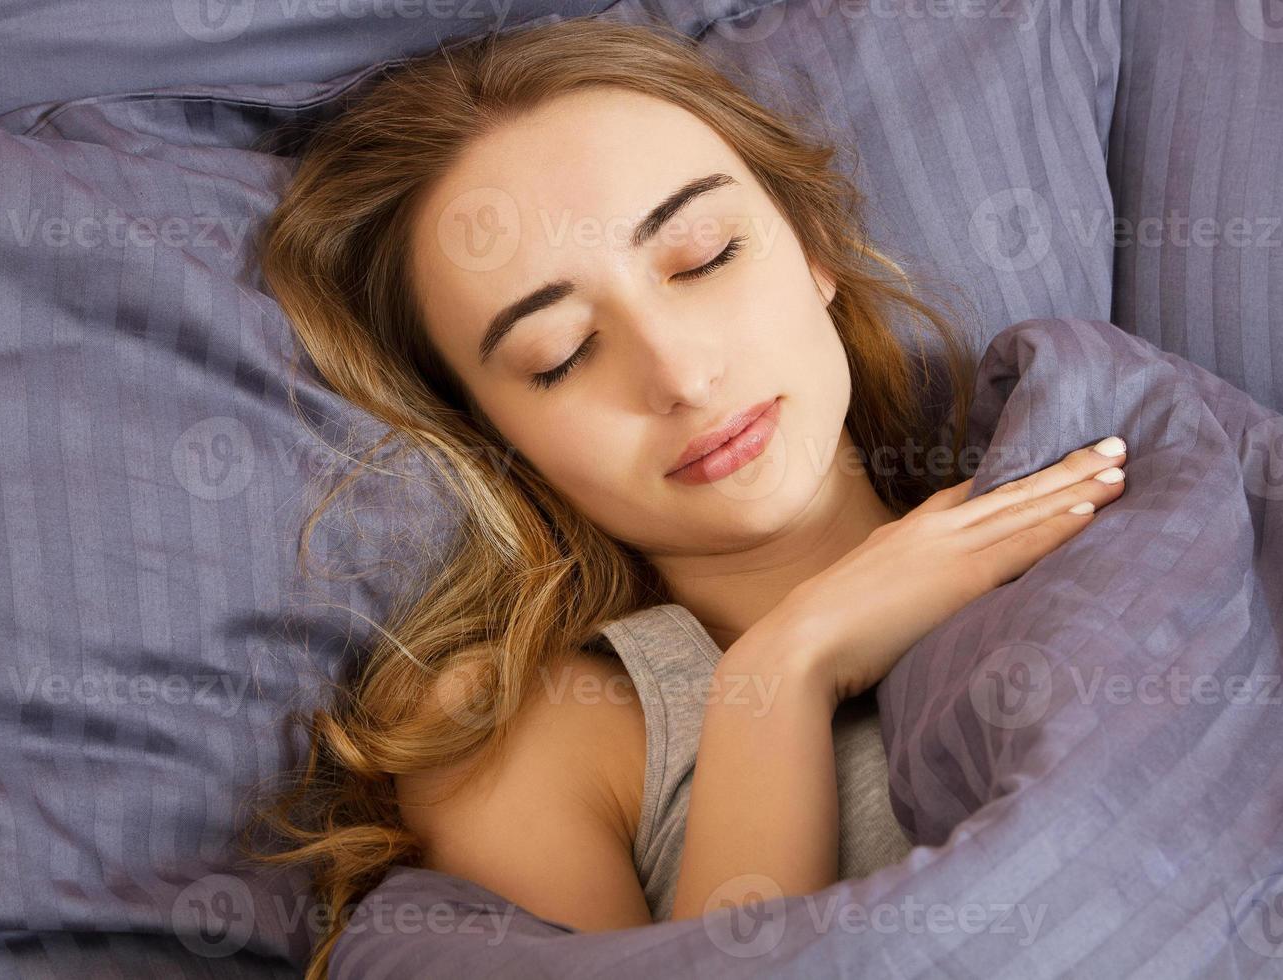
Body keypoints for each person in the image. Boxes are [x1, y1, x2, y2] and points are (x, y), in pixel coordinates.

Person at [244, 17, 1128, 980]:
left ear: (815, 246)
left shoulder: (1090, 468)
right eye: (562, 357)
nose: (680, 375)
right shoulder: (535, 730)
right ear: (496, 438)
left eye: (703, 257)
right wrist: (786, 671)